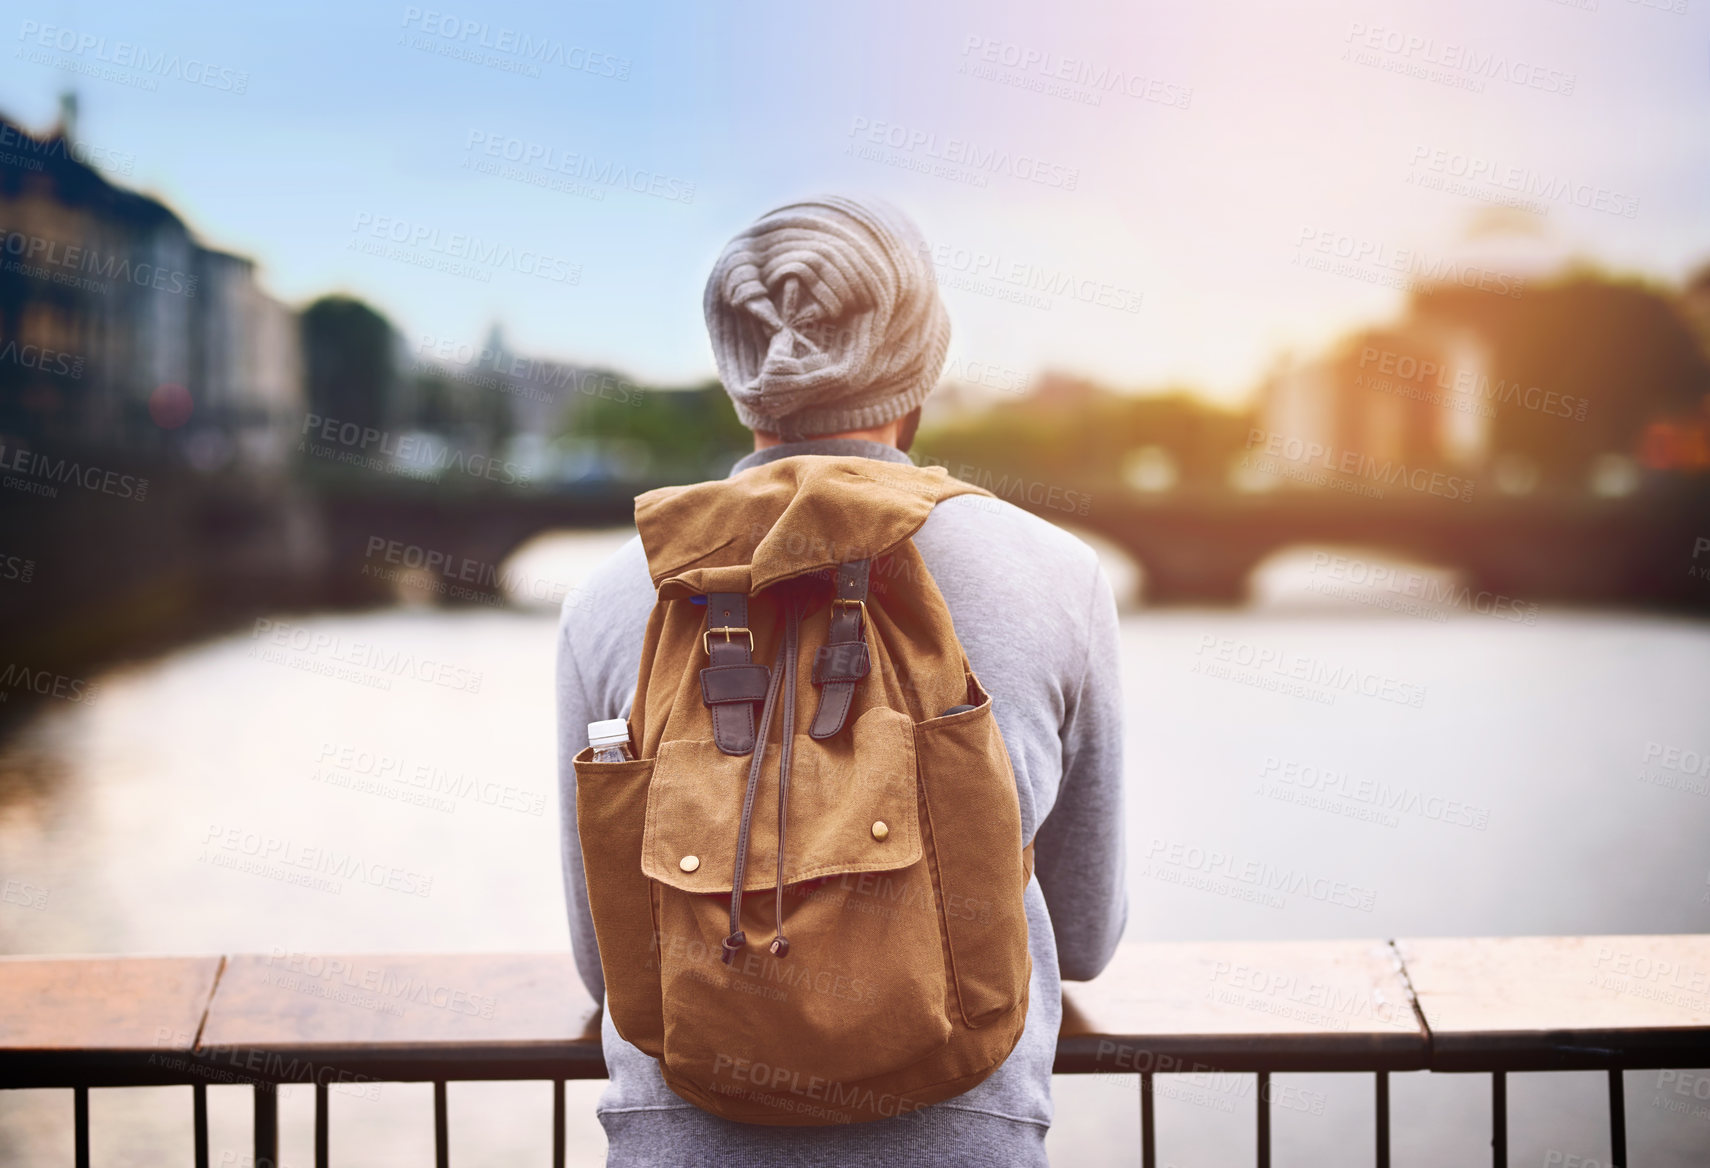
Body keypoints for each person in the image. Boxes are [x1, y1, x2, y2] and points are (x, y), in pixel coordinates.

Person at [556, 194, 1126, 1167]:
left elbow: (604, 954)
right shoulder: (1058, 577)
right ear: (921, 363)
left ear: (740, 375)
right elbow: (1081, 935)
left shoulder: (618, 591)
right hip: (963, 1142)